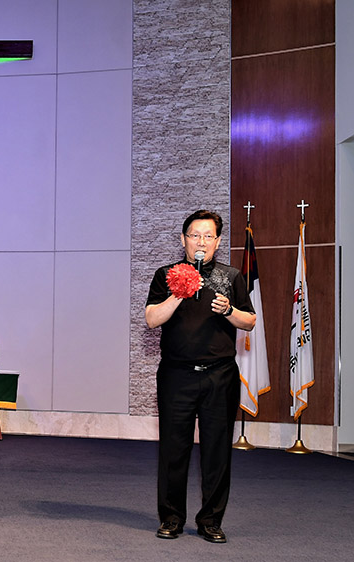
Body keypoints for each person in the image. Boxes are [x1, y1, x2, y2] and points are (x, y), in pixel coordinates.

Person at [144, 210, 256, 544]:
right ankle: (171, 518)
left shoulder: (231, 276)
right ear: (183, 240)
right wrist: (178, 293)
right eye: (195, 235)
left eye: (208, 236)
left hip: (219, 376)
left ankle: (210, 520)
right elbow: (152, 319)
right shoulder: (166, 275)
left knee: (217, 451)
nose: (201, 242)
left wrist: (229, 311)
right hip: (176, 375)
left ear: (218, 242)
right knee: (173, 449)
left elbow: (250, 321)